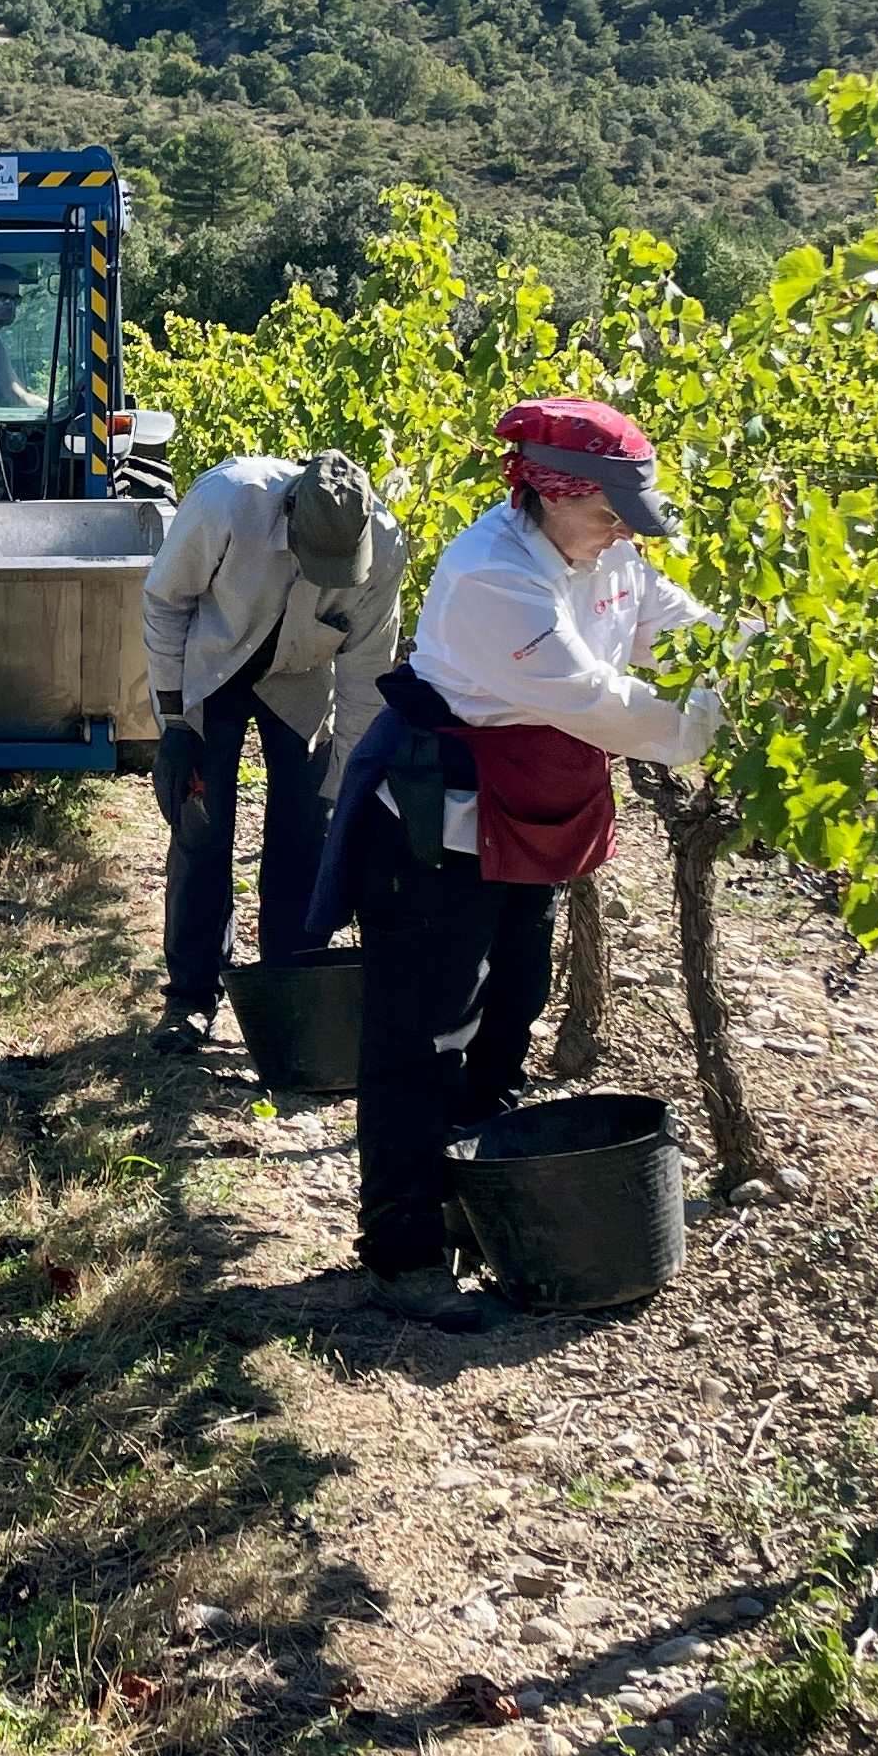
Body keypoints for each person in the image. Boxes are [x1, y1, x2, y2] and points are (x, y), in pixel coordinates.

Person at [306, 400, 722, 1327]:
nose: (621, 535)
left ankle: (479, 1211)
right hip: (438, 840)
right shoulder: (497, 576)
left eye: (629, 518)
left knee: (510, 1013)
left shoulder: (609, 555)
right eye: (608, 513)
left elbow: (680, 629)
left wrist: (758, 662)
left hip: (524, 826)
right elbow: (599, 699)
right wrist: (706, 725)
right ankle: (403, 1249)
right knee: (421, 1041)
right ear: (547, 490)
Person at [139, 449, 404, 1054]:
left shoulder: (385, 547)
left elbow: (365, 675)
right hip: (214, 667)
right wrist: (175, 722)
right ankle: (191, 998)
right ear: (288, 517)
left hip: (302, 684)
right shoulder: (225, 503)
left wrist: (348, 786)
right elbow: (165, 602)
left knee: (307, 833)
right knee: (202, 830)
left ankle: (291, 987)